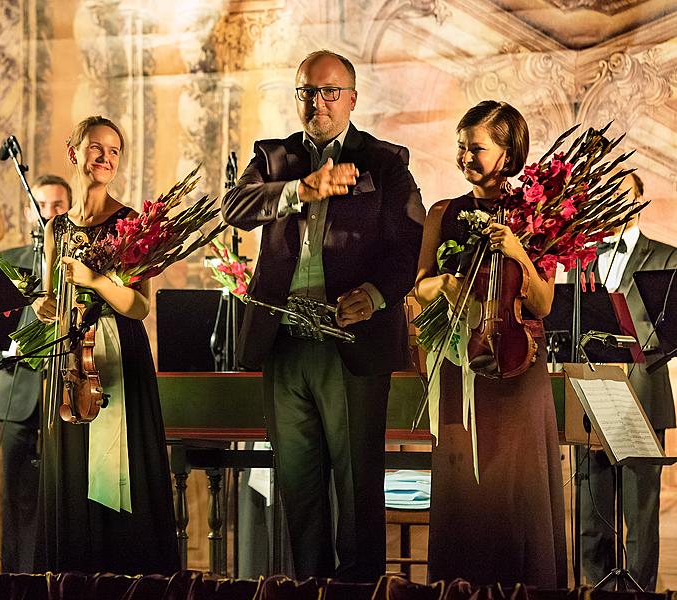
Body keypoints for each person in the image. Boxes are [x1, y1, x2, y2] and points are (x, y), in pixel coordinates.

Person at [222, 49, 425, 583]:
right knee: (298, 486)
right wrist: (299, 190)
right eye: (307, 92)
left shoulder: (384, 161)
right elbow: (234, 209)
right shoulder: (273, 157)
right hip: (285, 341)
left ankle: (360, 591)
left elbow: (410, 245)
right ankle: (305, 589)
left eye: (330, 91)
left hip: (352, 341)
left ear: (352, 98)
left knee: (358, 488)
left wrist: (380, 295)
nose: (318, 102)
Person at [414, 100, 567, 587]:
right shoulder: (444, 213)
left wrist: (519, 249)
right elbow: (419, 285)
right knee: (465, 490)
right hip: (461, 363)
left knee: (516, 495)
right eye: (460, 147)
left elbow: (542, 303)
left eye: (476, 148)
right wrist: (448, 286)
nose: (464, 157)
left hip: (519, 370)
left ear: (508, 152)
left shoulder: (536, 215)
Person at [31, 116, 178, 575]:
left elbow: (138, 305)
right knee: (71, 468)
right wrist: (45, 305)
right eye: (96, 148)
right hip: (68, 361)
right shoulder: (56, 228)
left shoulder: (131, 223)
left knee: (119, 471)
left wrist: (95, 280)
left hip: (117, 356)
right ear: (74, 153)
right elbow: (48, 294)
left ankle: (124, 576)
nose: (106, 158)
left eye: (114, 151)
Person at [579, 173, 677, 591]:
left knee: (640, 510)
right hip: (591, 394)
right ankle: (595, 587)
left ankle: (640, 590)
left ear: (640, 201)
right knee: (590, 509)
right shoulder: (580, 259)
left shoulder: (669, 258)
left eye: (623, 195)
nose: (614, 203)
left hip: (643, 391)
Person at [0, 175, 71, 573]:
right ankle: (12, 580)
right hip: (16, 397)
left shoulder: (79, 264)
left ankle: (57, 579)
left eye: (58, 205)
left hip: (66, 398)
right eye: (43, 204)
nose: (49, 212)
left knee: (61, 499)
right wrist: (8, 348)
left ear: (69, 209)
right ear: (27, 210)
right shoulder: (9, 258)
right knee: (14, 496)